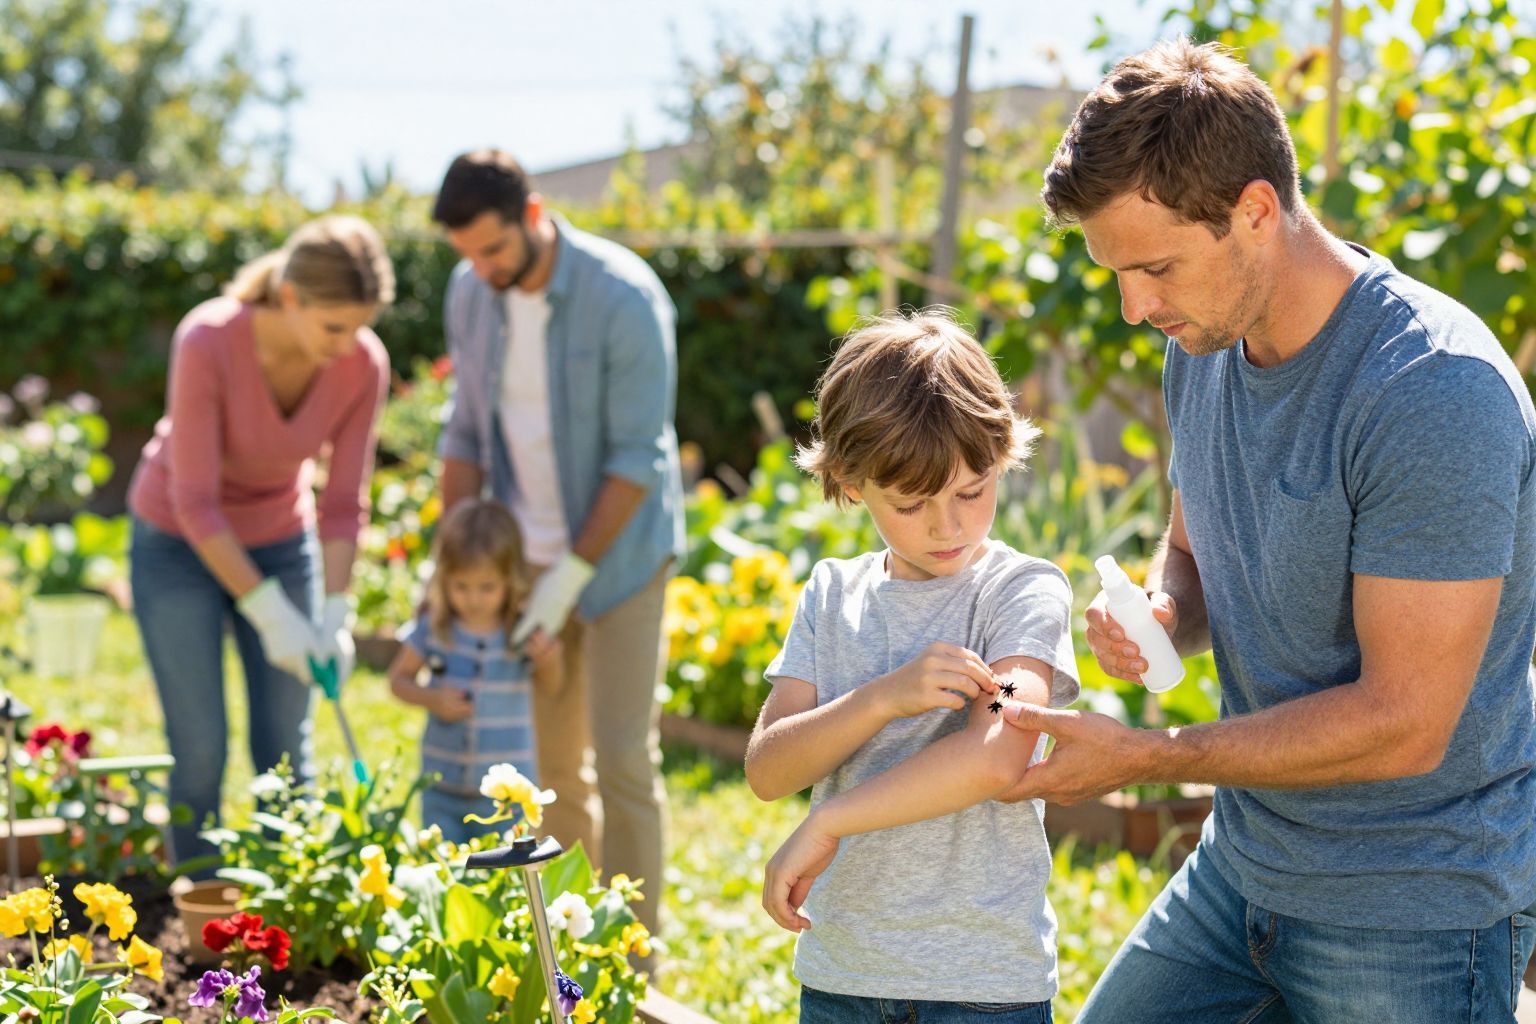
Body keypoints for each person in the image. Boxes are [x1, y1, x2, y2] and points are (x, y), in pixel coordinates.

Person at [999, 38, 1536, 1022]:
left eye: (1155, 267)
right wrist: (1164, 610)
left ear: (1254, 211)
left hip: (1412, 903)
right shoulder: (1203, 344)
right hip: (1243, 867)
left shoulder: (1431, 391)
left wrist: (1148, 755)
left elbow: (1405, 722)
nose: (1134, 307)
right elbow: (1192, 550)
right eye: (1117, 273)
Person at [750, 309, 1080, 1023]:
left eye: (972, 491)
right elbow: (769, 770)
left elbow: (996, 753)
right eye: (910, 503)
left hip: (983, 989)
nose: (947, 526)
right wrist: (880, 699)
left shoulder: (1021, 592)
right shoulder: (832, 594)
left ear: (1003, 454)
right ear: (850, 480)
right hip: (842, 978)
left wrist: (831, 820)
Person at [430, 149, 684, 931]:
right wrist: (451, 563)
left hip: (621, 561)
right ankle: (572, 951)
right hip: (523, 559)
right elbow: (465, 432)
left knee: (622, 761)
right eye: (467, 255)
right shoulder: (472, 293)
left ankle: (634, 963)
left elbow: (636, 458)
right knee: (551, 771)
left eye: (493, 249)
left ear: (533, 216)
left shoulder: (623, 297)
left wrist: (569, 578)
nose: (482, 270)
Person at [127, 215, 394, 872]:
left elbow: (342, 503)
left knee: (285, 747)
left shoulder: (363, 364)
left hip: (279, 538)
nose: (348, 344)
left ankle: (287, 904)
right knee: (199, 748)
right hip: (175, 544)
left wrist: (335, 613)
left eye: (359, 327)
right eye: (334, 327)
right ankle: (199, 903)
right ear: (290, 296)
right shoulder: (209, 340)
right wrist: (270, 612)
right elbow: (195, 502)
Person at [386, 498, 561, 843]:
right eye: (461, 586)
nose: (474, 599)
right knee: (445, 867)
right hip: (442, 790)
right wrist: (433, 699)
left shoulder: (521, 632)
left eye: (487, 587)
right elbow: (397, 680)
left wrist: (549, 659)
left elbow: (552, 686)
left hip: (508, 797)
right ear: (444, 580)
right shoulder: (435, 629)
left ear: (510, 581)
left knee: (504, 869)